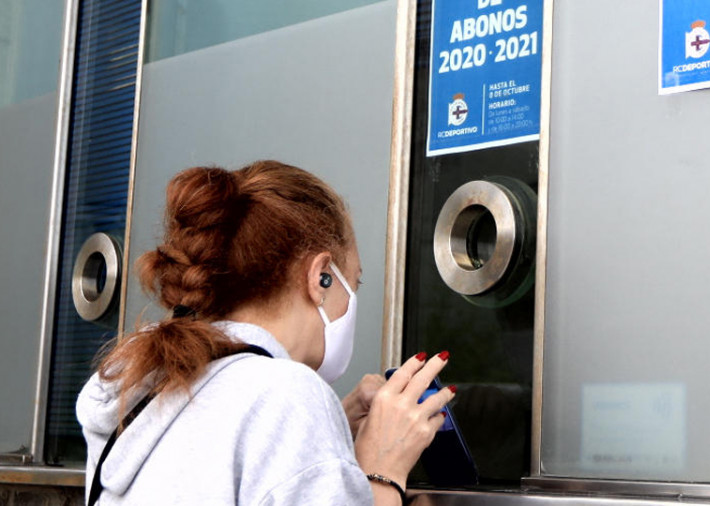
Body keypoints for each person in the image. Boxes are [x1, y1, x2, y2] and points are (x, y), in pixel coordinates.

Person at [76, 160, 454, 505]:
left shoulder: (147, 383)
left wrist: (327, 437)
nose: (352, 298)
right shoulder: (287, 394)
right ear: (320, 277)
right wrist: (383, 473)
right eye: (352, 282)